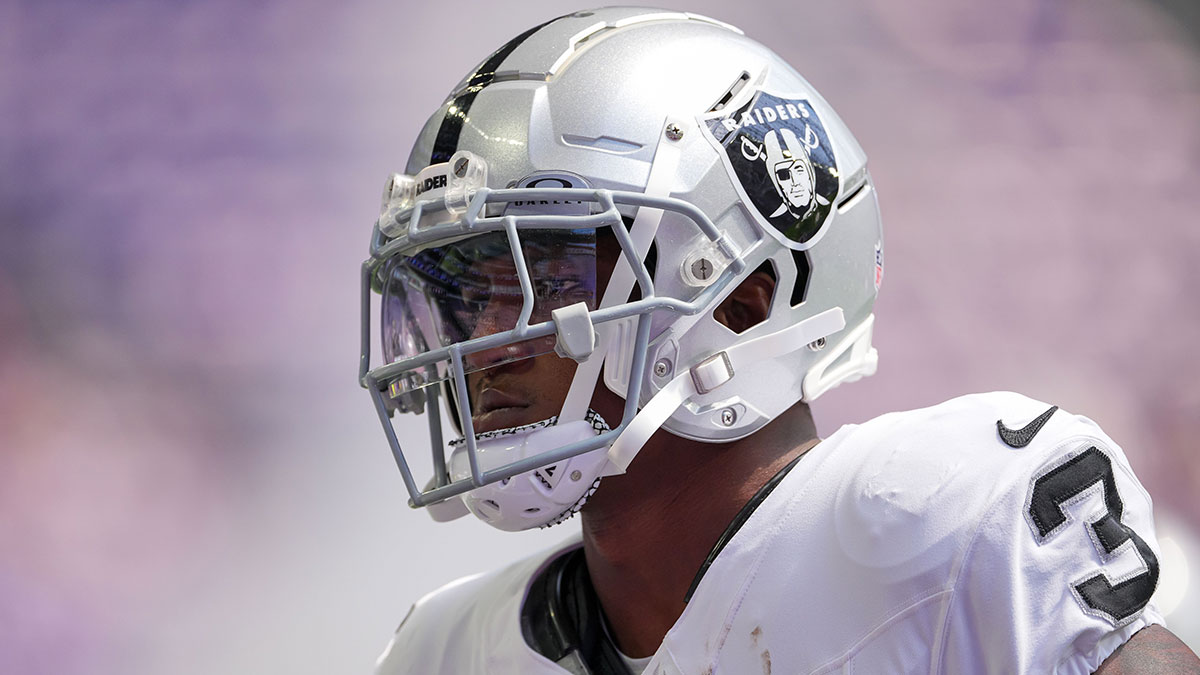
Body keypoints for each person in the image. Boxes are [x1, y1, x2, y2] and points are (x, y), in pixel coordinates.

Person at [359, 7, 1200, 674]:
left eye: (540, 275)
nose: (483, 341)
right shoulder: (444, 650)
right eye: (464, 290)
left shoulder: (943, 524)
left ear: (740, 304)